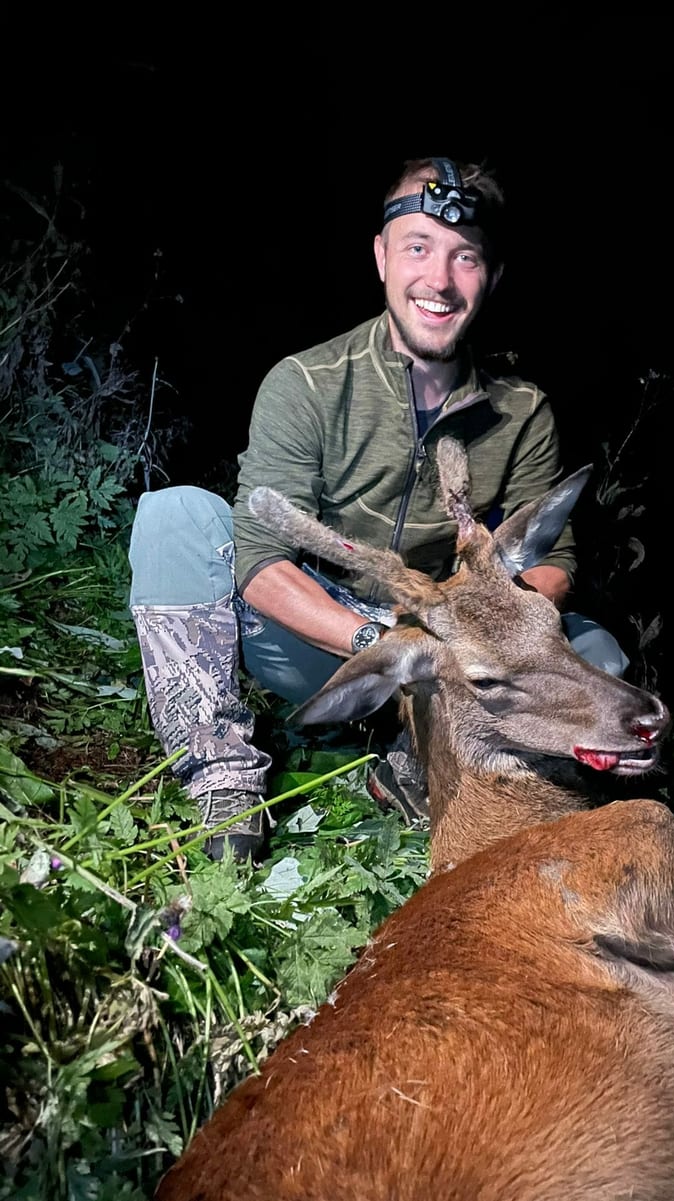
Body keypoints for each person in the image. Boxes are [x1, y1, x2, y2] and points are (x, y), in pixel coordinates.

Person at [128, 157, 627, 861]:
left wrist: (483, 616)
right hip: (324, 643)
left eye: (466, 258)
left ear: (492, 277)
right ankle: (223, 774)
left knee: (599, 653)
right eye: (418, 247)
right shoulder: (306, 383)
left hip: (456, 657)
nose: (440, 280)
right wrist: (383, 647)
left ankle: (432, 771)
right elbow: (261, 562)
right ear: (381, 256)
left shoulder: (521, 412)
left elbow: (554, 565)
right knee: (175, 517)